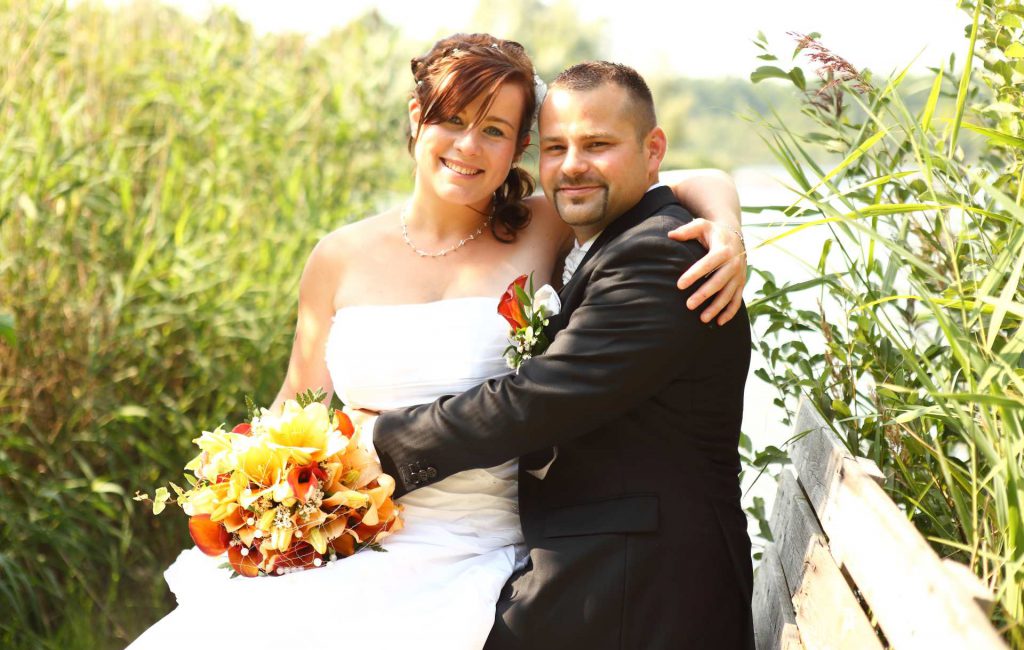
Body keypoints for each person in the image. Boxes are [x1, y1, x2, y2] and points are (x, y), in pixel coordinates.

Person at [128, 35, 746, 649]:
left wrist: (725, 224)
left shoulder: (546, 225)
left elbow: (654, 180)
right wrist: (249, 496)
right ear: (415, 119)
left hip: (482, 547)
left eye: (495, 130)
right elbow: (297, 403)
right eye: (451, 120)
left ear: (517, 148)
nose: (468, 146)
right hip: (359, 534)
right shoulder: (338, 255)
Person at [369, 61, 754, 649]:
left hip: (637, 586)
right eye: (555, 147)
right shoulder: (616, 237)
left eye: (597, 144)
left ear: (653, 150)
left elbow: (537, 401)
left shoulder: (663, 255)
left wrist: (377, 447)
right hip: (602, 565)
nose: (572, 165)